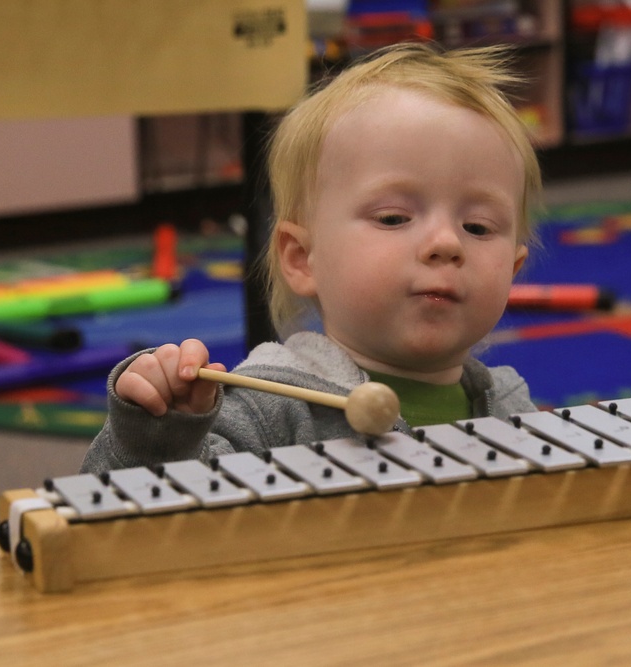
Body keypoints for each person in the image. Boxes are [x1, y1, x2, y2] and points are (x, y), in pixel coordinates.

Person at [80, 42, 543, 474]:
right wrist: (158, 438)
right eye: (393, 218)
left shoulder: (509, 407)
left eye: (478, 227)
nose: (447, 243)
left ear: (514, 270)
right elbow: (134, 524)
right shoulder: (267, 412)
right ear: (303, 259)